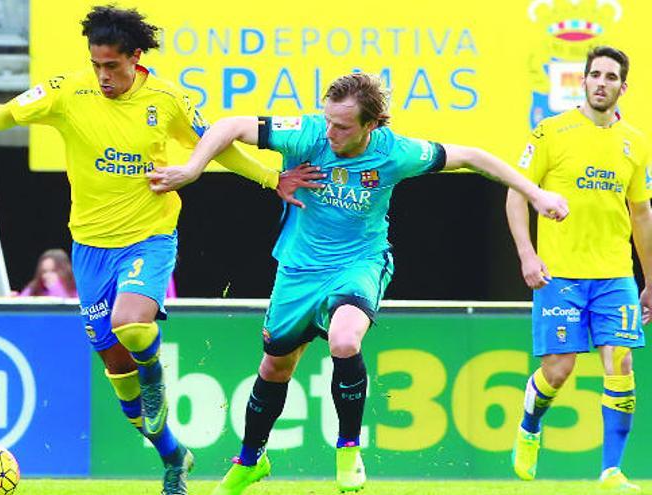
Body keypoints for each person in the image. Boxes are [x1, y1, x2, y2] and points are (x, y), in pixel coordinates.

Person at [0, 6, 318, 494]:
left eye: (113, 67)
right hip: (90, 247)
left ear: (136, 57)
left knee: (132, 323)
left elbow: (216, 144)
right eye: (97, 65)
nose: (103, 76)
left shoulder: (168, 99)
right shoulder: (67, 90)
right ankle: (174, 457)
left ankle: (155, 377)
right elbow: (11, 112)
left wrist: (272, 178)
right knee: (122, 385)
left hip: (149, 236)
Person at [149, 71, 569, 494]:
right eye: (328, 120)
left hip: (360, 263)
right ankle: (250, 461)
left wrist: (536, 194)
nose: (331, 131)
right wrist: (192, 168)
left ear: (371, 126)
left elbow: (475, 157)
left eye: (343, 126)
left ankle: (348, 447)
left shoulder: (396, 153)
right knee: (275, 367)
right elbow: (230, 127)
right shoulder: (306, 134)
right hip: (298, 270)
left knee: (345, 341)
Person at [506, 46, 650, 491]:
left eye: (611, 76)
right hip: (561, 274)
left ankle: (611, 471)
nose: (601, 82)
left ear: (623, 87)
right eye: (595, 75)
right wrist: (528, 255)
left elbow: (642, 213)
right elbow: (516, 195)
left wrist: (650, 281)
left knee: (621, 361)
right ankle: (530, 424)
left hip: (615, 274)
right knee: (559, 368)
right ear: (584, 81)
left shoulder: (636, 142)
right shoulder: (551, 132)